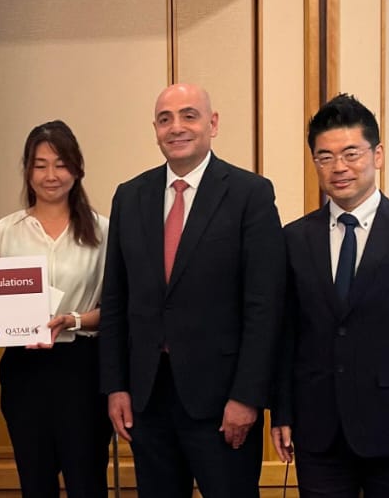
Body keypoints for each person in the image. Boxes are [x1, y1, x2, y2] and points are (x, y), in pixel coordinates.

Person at [99, 83, 286, 498]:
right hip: (147, 398)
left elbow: (265, 306)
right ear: (155, 129)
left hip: (223, 401)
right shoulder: (129, 196)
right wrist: (116, 386)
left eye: (189, 115)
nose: (176, 127)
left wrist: (247, 396)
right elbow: (115, 300)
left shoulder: (250, 194)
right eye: (165, 119)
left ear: (212, 124)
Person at [270, 93, 389, 498]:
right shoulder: (294, 239)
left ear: (378, 155)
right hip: (318, 428)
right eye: (325, 157)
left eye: (351, 154)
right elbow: (286, 334)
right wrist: (281, 411)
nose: (339, 167)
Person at [0, 120, 112, 498]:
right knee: (35, 482)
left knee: (87, 482)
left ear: (77, 169)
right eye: (40, 165)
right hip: (24, 371)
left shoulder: (103, 232)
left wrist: (72, 320)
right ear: (27, 171)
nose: (50, 175)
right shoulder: (3, 233)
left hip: (83, 369)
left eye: (60, 164)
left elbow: (117, 310)